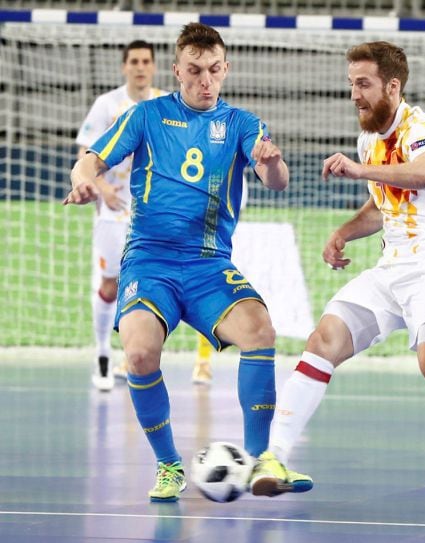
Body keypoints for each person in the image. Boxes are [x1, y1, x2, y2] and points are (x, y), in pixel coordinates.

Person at [249, 41, 425, 519]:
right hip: (390, 269)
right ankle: (273, 459)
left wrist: (360, 170)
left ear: (391, 86)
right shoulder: (367, 140)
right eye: (351, 84)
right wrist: (344, 232)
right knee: (323, 339)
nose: (354, 94)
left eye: (363, 84)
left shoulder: (422, 127)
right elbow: (385, 205)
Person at [64, 22, 310, 502]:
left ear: (225, 69)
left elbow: (274, 180)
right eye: (194, 71)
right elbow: (90, 159)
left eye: (213, 70)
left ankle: (262, 460)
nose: (204, 81)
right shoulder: (147, 115)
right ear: (176, 70)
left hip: (207, 264)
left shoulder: (243, 124)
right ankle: (169, 465)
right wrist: (84, 179)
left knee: (260, 330)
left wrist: (273, 162)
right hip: (149, 261)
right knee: (137, 353)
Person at [76, 40, 214, 391]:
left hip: (153, 218)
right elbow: (86, 152)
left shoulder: (166, 106)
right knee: (111, 286)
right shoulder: (107, 104)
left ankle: (142, 357)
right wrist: (101, 186)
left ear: (156, 67)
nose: (140, 67)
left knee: (161, 286)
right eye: (134, 61)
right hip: (113, 212)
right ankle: (104, 353)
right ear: (125, 66)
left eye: (146, 61)